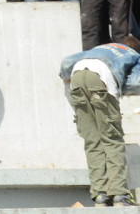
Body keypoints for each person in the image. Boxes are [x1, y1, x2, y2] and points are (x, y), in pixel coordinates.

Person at [59, 38, 140, 207]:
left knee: (92, 140)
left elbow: (66, 64)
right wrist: (121, 86)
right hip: (103, 81)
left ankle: (100, 196)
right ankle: (119, 195)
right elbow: (136, 82)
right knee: (112, 139)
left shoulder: (98, 49)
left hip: (77, 77)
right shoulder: (132, 54)